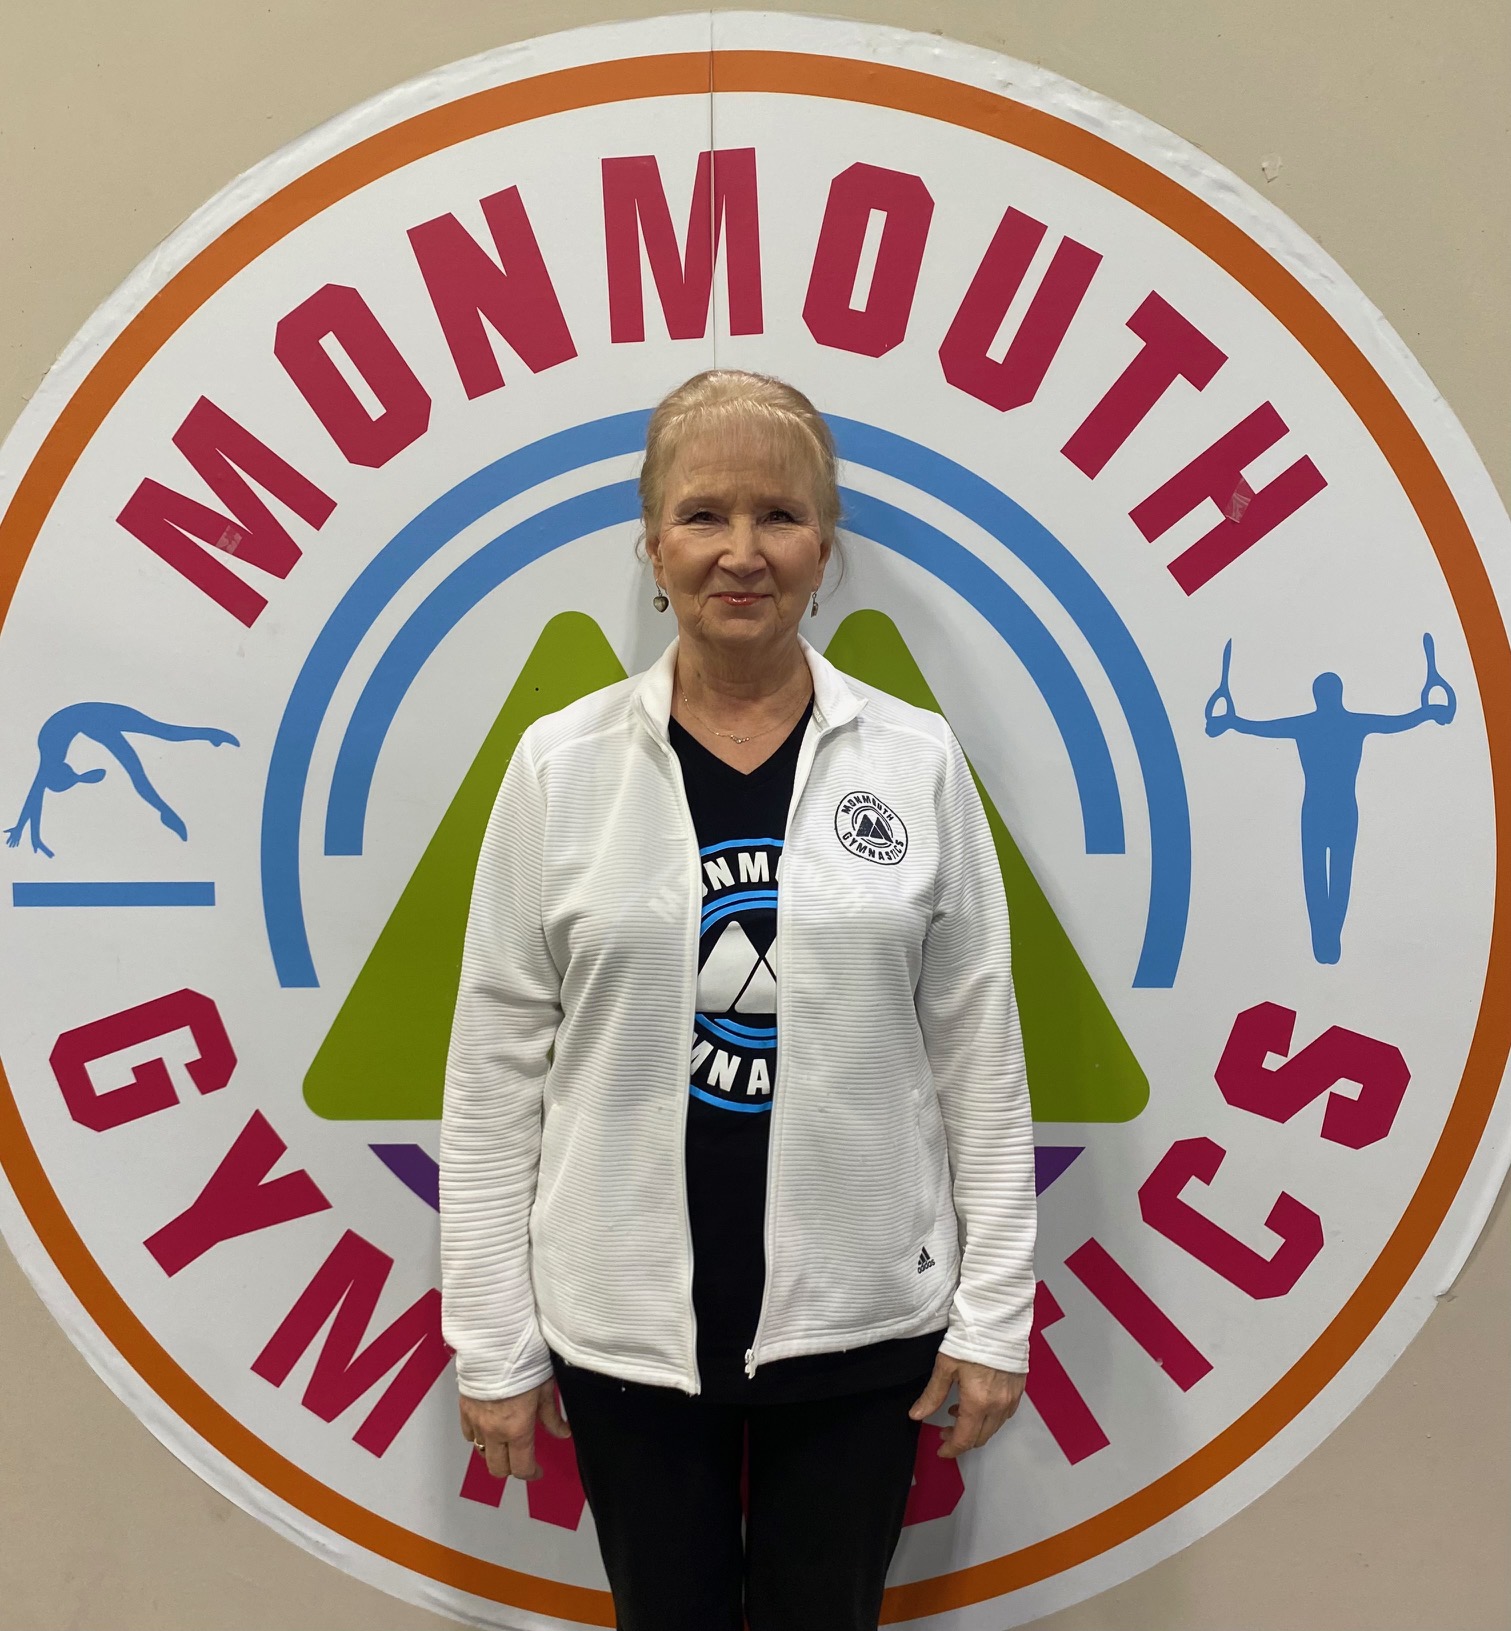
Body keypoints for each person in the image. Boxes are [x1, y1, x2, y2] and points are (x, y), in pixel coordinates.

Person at [440, 370, 1036, 1631]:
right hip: (624, 1329)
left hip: (861, 1324)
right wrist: (492, 1336)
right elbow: (492, 1066)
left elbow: (975, 1049)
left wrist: (993, 1316)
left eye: (780, 514)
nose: (742, 552)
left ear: (825, 544)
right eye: (703, 514)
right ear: (651, 544)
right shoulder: (561, 764)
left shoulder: (914, 758)